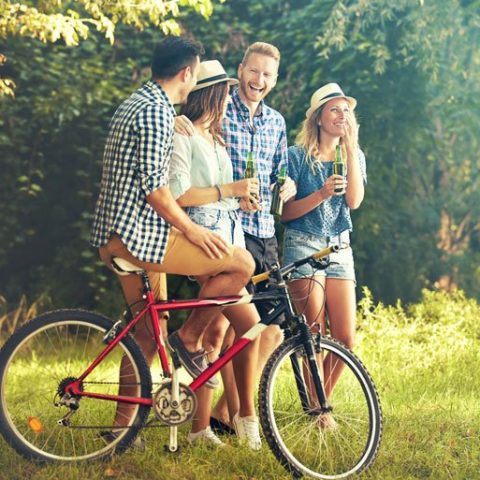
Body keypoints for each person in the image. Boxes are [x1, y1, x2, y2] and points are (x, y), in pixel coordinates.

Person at [90, 36, 261, 450]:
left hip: (117, 237)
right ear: (187, 73)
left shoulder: (140, 104)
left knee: (148, 332)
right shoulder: (155, 113)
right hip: (140, 238)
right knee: (240, 265)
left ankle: (122, 432)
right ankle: (189, 342)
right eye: (194, 75)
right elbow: (157, 191)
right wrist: (193, 230)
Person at [175, 42, 297, 434]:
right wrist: (177, 120)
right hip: (223, 231)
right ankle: (209, 422)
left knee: (271, 329)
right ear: (241, 69)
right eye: (254, 71)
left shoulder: (276, 122)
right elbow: (190, 131)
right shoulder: (218, 111)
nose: (258, 80)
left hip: (262, 234)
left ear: (274, 80)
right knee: (220, 329)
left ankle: (229, 412)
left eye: (267, 75)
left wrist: (287, 185)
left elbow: (279, 171)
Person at [168, 60, 259, 445]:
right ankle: (244, 418)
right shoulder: (183, 134)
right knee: (245, 327)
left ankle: (203, 427)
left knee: (225, 331)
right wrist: (230, 191)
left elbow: (226, 191)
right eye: (224, 92)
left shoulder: (216, 138)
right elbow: (180, 194)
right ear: (213, 94)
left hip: (229, 231)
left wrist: (243, 201)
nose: (229, 99)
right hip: (203, 236)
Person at [280, 83, 366, 427]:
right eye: (334, 109)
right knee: (312, 334)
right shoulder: (296, 156)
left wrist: (351, 146)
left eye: (346, 110)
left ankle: (318, 401)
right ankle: (318, 411)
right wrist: (320, 193)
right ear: (318, 118)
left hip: (340, 246)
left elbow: (354, 202)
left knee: (345, 337)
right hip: (303, 243)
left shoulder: (354, 155)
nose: (341, 115)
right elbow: (285, 214)